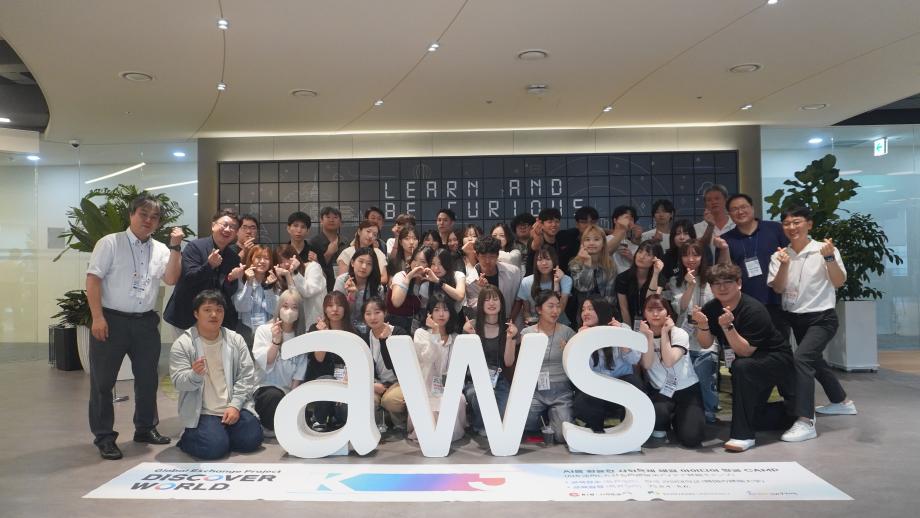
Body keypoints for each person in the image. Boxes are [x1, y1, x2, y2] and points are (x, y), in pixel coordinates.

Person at [86, 193, 183, 460]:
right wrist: (97, 317)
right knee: (103, 382)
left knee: (147, 379)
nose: (148, 220)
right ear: (131, 214)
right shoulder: (110, 243)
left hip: (145, 322)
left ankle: (145, 428)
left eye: (154, 217)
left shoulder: (161, 249)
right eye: (143, 214)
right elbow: (93, 280)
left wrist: (175, 248)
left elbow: (171, 278)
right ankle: (104, 437)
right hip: (111, 320)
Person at [768, 206, 856, 443]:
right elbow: (778, 288)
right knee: (814, 360)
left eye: (796, 222)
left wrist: (829, 258)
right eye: (787, 223)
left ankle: (806, 420)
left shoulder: (824, 250)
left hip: (822, 317)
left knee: (802, 359)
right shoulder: (780, 255)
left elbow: (838, 281)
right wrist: (784, 264)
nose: (792, 227)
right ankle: (841, 401)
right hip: (796, 317)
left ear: (809, 224)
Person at [691, 263, 796, 452]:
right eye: (716, 283)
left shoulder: (754, 309)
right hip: (748, 359)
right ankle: (792, 413)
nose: (722, 287)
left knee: (741, 366)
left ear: (739, 283)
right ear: (711, 287)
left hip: (776, 358)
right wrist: (703, 325)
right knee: (757, 416)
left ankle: (743, 435)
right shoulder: (712, 308)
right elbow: (705, 344)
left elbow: (745, 351)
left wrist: (727, 327)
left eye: (727, 282)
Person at [170, 290, 263, 459]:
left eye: (219, 310)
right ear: (196, 314)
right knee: (214, 449)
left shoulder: (235, 340)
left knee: (252, 440)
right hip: (204, 412)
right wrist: (194, 375)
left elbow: (246, 376)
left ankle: (220, 435)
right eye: (207, 310)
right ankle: (189, 438)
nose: (214, 315)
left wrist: (235, 405)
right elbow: (178, 381)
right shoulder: (183, 344)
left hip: (233, 407)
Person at [638, 294, 705, 447]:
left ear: (667, 312)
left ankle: (678, 419)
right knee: (658, 416)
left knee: (692, 438)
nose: (655, 314)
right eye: (650, 310)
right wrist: (649, 337)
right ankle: (666, 421)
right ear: (644, 313)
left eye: (660, 309)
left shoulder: (679, 333)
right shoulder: (642, 336)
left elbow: (669, 361)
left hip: (687, 389)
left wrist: (664, 333)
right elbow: (647, 364)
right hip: (661, 391)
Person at [719, 193, 790, 336]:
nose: (740, 212)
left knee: (780, 344)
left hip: (777, 301)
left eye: (743, 207)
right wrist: (724, 249)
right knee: (750, 345)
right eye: (734, 209)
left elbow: (791, 257)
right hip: (745, 305)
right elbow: (724, 273)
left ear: (752, 208)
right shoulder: (725, 240)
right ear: (729, 214)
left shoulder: (775, 229)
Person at [572, 296, 643, 433]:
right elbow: (581, 369)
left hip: (620, 381)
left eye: (590, 309)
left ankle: (628, 427)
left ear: (601, 310)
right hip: (596, 386)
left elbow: (634, 359)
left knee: (635, 382)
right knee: (582, 400)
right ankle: (597, 429)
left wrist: (621, 336)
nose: (585, 313)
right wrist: (581, 341)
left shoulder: (622, 328)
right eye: (583, 309)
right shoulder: (582, 333)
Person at [164, 208, 243, 332]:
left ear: (236, 232)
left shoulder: (233, 257)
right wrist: (209, 265)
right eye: (224, 225)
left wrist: (231, 279)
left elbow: (228, 293)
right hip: (187, 315)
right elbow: (188, 278)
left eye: (233, 227)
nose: (228, 229)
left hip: (214, 318)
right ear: (213, 226)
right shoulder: (195, 247)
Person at [666, 240, 719, 423]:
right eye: (686, 255)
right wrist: (689, 285)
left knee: (704, 376)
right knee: (683, 378)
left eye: (695, 254)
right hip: (684, 339)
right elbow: (680, 308)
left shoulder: (712, 279)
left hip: (707, 338)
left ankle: (709, 412)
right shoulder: (676, 281)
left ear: (702, 257)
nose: (691, 259)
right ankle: (685, 412)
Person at [409, 292, 468, 443]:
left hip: (448, 387)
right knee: (433, 412)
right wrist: (435, 333)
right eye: (436, 310)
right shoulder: (421, 334)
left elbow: (458, 369)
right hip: (427, 386)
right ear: (429, 313)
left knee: (459, 399)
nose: (441, 314)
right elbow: (428, 357)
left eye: (445, 309)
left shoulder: (455, 337)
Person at [461, 286, 519, 436]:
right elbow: (465, 362)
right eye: (487, 300)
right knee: (479, 398)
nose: (491, 303)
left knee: (504, 413)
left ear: (501, 302)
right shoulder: (472, 326)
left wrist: (510, 338)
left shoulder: (509, 328)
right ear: (481, 304)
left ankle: (484, 425)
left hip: (499, 380)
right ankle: (481, 424)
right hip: (475, 381)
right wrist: (470, 337)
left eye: (495, 299)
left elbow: (508, 362)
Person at [251, 289, 309, 437]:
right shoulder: (264, 331)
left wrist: (293, 401)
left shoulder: (301, 338)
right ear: (278, 308)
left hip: (287, 392)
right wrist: (276, 341)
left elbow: (298, 376)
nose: (289, 311)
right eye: (285, 306)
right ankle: (267, 426)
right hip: (264, 389)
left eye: (294, 307)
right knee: (273, 396)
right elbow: (267, 361)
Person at [521, 290, 576, 444]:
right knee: (523, 423)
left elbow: (578, 363)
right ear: (539, 309)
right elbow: (523, 365)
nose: (555, 311)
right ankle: (545, 419)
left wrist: (569, 351)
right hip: (536, 390)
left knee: (561, 436)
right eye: (550, 306)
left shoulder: (567, 332)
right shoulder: (527, 333)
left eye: (558, 306)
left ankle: (554, 418)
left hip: (561, 391)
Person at [305, 291, 358, 432]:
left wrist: (345, 383)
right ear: (324, 309)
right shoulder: (315, 328)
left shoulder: (353, 332)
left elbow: (355, 363)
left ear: (345, 308)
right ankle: (319, 419)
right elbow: (319, 359)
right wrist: (323, 335)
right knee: (327, 380)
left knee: (345, 413)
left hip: (347, 382)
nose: (335, 309)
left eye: (339, 305)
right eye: (330, 305)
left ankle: (337, 418)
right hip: (322, 380)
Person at [361, 296, 410, 432]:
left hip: (399, 382)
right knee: (368, 398)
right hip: (378, 383)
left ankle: (402, 424)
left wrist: (384, 341)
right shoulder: (365, 338)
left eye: (377, 312)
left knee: (390, 400)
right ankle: (372, 428)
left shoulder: (398, 333)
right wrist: (372, 384)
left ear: (385, 313)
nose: (373, 317)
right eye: (368, 313)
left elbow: (393, 365)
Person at [569, 224, 620, 325]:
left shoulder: (610, 265)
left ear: (603, 243)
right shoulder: (575, 264)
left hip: (606, 313)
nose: (591, 243)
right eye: (587, 240)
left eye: (596, 239)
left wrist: (601, 316)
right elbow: (583, 288)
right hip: (584, 314)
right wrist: (587, 265)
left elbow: (610, 298)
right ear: (582, 243)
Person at [232, 245, 279, 350]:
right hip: (246, 328)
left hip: (268, 329)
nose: (262, 261)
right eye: (258, 257)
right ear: (251, 259)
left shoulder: (275, 281)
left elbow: (274, 310)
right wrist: (249, 283)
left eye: (266, 258)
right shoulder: (242, 279)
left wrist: (268, 288)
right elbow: (241, 307)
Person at [512, 245, 572, 326]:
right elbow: (526, 311)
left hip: (560, 324)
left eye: (548, 259)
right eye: (540, 259)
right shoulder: (526, 282)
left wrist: (556, 283)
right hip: (536, 324)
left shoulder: (565, 279)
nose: (544, 263)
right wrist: (531, 322)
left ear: (554, 261)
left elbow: (560, 309)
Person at [465, 235, 522, 317]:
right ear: (477, 256)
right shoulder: (470, 281)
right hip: (486, 323)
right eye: (483, 257)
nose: (487, 261)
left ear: (497, 255)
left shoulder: (513, 272)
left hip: (512, 319)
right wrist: (483, 291)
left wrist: (511, 319)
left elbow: (519, 299)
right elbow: (476, 309)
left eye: (492, 256)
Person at [333, 246, 385, 333]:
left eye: (369, 264)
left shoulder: (378, 287)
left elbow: (379, 313)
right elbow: (337, 311)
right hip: (345, 328)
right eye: (361, 261)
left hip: (370, 329)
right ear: (352, 263)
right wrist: (351, 296)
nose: (364, 266)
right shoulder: (342, 281)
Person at [615, 240, 665, 329]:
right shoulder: (622, 278)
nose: (641, 256)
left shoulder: (659, 278)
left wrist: (656, 273)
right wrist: (629, 331)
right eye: (640, 251)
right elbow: (624, 309)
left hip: (651, 323)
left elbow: (651, 302)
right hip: (627, 323)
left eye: (648, 254)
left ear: (655, 259)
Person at [273, 244, 326, 327]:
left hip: (316, 324)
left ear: (295, 257)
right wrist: (287, 276)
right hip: (295, 327)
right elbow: (292, 299)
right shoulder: (281, 278)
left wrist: (295, 272)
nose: (286, 264)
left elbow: (308, 292)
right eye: (281, 262)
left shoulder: (313, 267)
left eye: (288, 259)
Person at [387, 246, 431, 332]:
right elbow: (396, 302)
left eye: (422, 262)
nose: (417, 265)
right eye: (414, 260)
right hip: (395, 325)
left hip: (415, 327)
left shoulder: (427, 283)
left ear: (429, 265)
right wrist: (408, 278)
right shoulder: (401, 276)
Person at [419, 247, 467, 319]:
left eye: (440, 264)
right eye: (433, 264)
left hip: (457, 319)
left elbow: (460, 296)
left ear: (447, 264)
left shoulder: (458, 275)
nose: (436, 268)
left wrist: (438, 281)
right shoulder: (426, 285)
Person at [337, 220, 389, 285]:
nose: (371, 236)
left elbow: (384, 278)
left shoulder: (378, 253)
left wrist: (365, 285)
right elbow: (342, 279)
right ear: (359, 231)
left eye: (374, 234)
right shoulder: (347, 253)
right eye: (368, 231)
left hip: (373, 289)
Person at [308, 206, 347, 292]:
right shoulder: (313, 243)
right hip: (321, 288)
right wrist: (328, 253)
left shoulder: (346, 242)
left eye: (335, 217)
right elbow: (312, 269)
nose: (331, 220)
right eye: (328, 217)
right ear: (321, 220)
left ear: (340, 222)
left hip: (343, 287)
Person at [694, 184, 735, 256]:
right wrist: (710, 226)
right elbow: (698, 250)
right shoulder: (697, 227)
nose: (713, 202)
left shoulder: (736, 224)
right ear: (705, 204)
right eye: (709, 200)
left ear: (726, 200)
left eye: (717, 198)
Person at [555, 206, 599, 274]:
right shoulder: (565, 236)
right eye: (584, 222)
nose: (589, 226)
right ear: (577, 224)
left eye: (593, 222)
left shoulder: (603, 239)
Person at [529, 207, 563, 274]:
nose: (554, 225)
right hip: (534, 279)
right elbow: (537, 245)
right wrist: (537, 234)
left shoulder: (561, 238)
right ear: (541, 224)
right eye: (550, 222)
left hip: (556, 278)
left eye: (557, 221)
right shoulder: (536, 239)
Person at [607, 205, 640, 273]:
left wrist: (632, 259)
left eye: (631, 219)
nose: (629, 221)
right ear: (615, 220)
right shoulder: (603, 240)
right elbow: (604, 253)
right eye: (626, 217)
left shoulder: (635, 247)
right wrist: (623, 229)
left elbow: (640, 270)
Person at [511, 211, 536, 276]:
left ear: (532, 227)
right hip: (515, 276)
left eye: (526, 224)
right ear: (515, 228)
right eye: (519, 225)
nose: (522, 227)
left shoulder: (538, 243)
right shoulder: (510, 245)